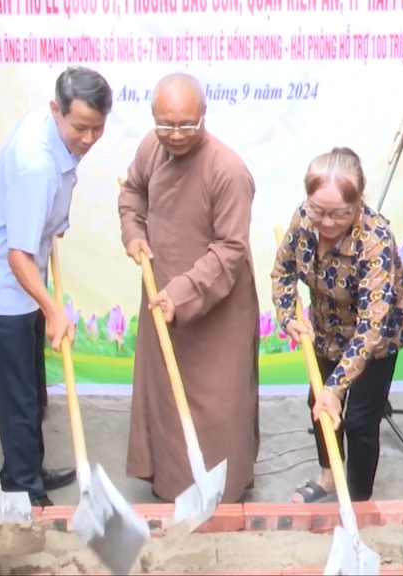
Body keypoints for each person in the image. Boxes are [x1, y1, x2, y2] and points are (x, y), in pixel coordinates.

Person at [0, 66, 113, 507]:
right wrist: (53, 311)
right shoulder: (36, 163)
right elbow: (17, 256)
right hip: (6, 282)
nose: (88, 138)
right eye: (80, 127)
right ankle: (24, 491)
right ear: (56, 110)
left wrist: (52, 221)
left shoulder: (52, 135)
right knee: (17, 397)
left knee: (33, 389)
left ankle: (29, 469)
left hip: (26, 270)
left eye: (97, 128)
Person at [118, 72, 260, 504]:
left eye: (186, 124)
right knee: (165, 393)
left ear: (204, 115)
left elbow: (231, 249)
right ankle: (171, 483)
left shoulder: (228, 170)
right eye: (166, 124)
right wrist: (133, 232)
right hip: (160, 290)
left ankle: (223, 489)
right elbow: (132, 193)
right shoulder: (151, 147)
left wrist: (181, 294)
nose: (175, 135)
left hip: (215, 302)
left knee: (220, 402)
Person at [271, 148, 403, 505]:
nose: (326, 222)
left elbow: (371, 326)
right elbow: (283, 271)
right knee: (318, 403)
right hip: (326, 328)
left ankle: (358, 498)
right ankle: (329, 477)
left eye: (339, 214)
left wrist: (336, 387)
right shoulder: (303, 220)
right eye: (318, 211)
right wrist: (288, 315)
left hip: (375, 339)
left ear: (358, 202)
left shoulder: (375, 240)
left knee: (359, 419)